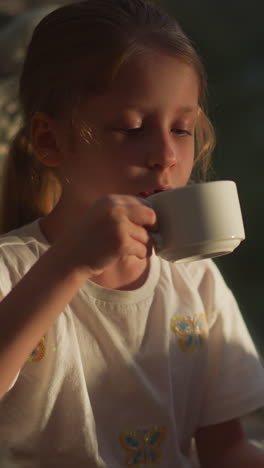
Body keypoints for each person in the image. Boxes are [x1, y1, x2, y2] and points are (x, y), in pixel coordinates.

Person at [0, 1, 263, 466]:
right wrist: (67, 264)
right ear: (49, 140)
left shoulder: (195, 281)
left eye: (182, 129)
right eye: (132, 128)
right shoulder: (13, 268)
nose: (165, 154)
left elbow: (225, 450)